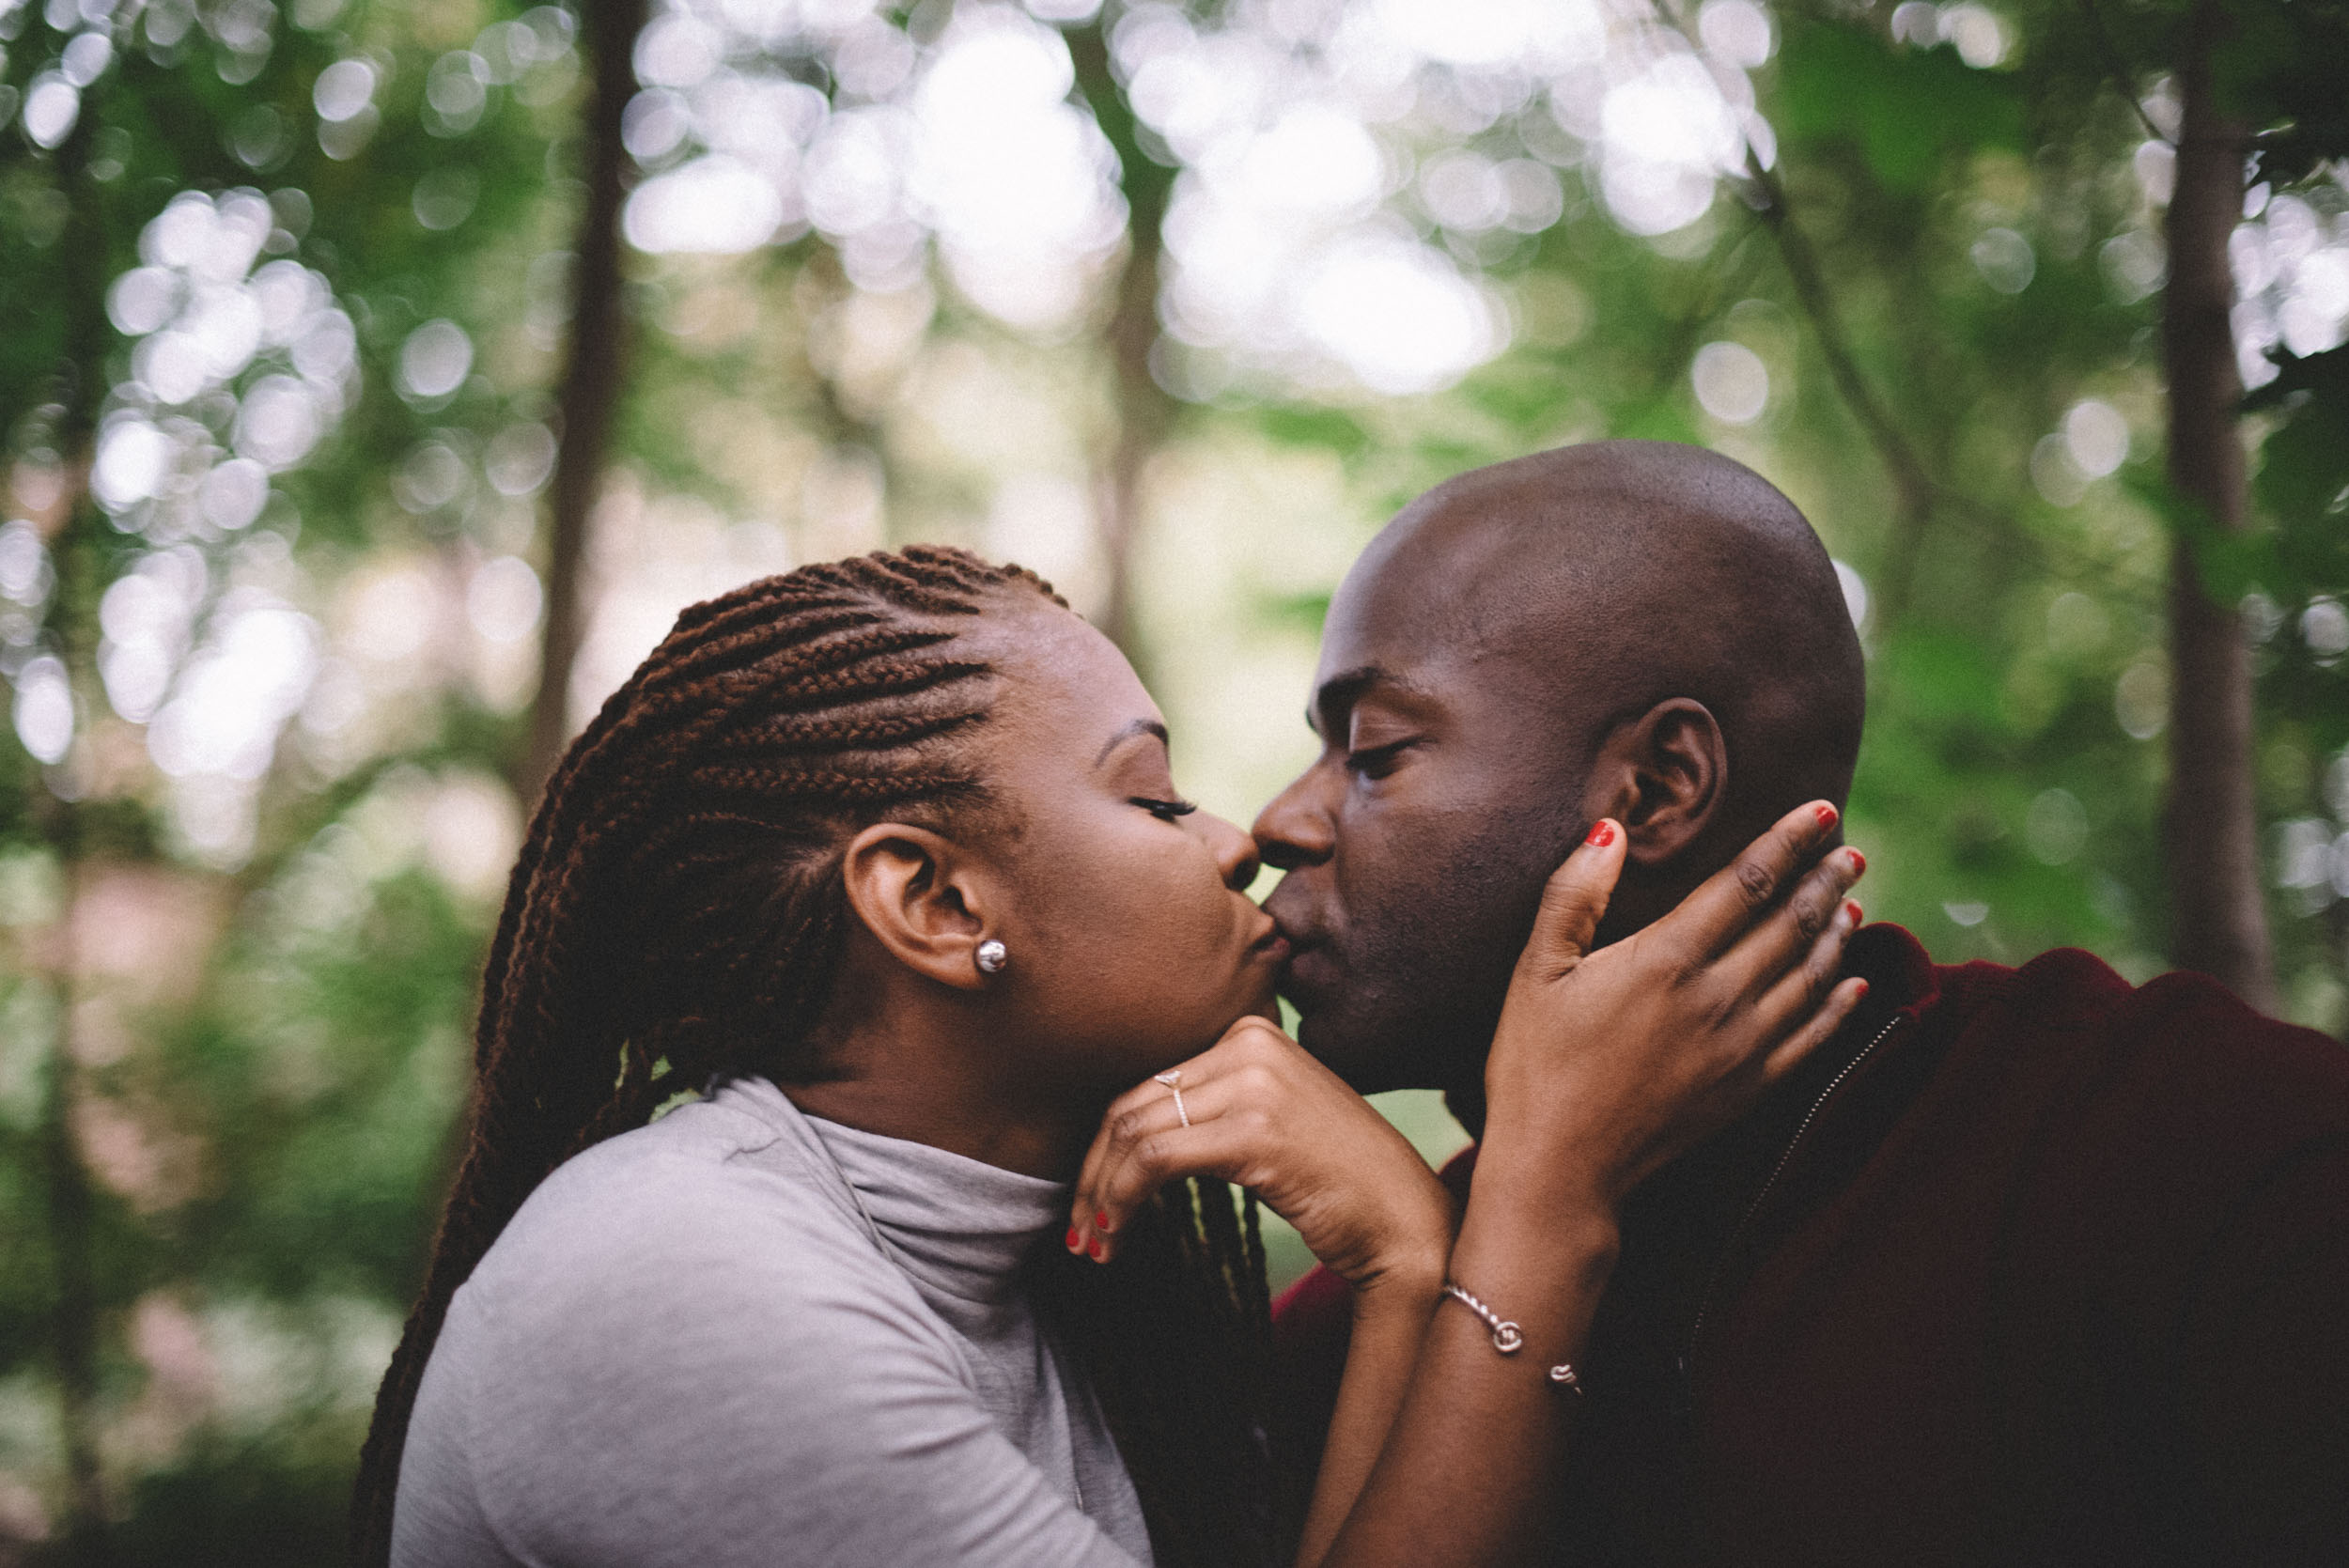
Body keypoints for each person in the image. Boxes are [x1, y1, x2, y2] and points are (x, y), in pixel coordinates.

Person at [351, 545, 1869, 1568]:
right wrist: (1544, 1192)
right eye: (1153, 798)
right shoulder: (679, 1271)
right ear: (937, 901)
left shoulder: (1053, 1279)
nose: (1242, 835)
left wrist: (1412, 1259)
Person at [1257, 440, 2349, 1565]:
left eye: (1373, 751)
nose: (1278, 822)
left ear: (1658, 788)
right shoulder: (1354, 1327)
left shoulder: (2185, 1149)